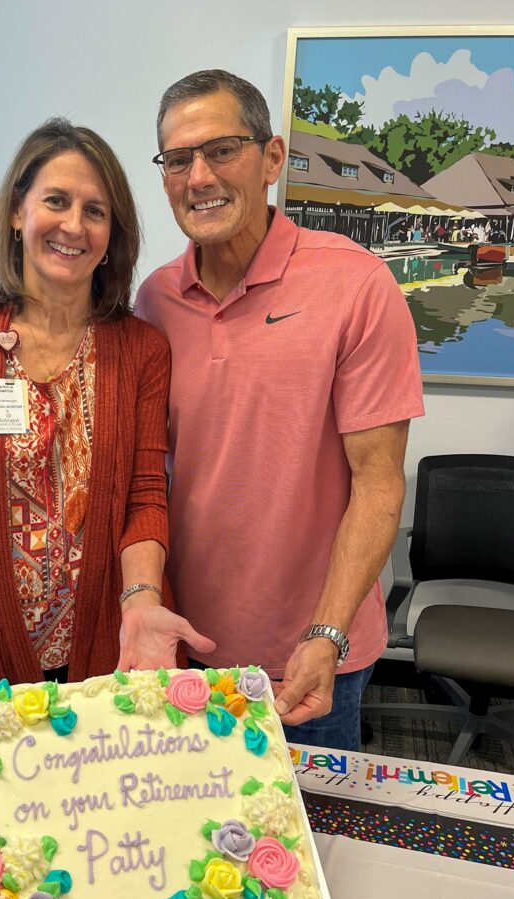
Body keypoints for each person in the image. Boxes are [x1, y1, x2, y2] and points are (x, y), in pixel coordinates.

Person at [135, 70, 424, 750]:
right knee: (205, 842)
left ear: (270, 159)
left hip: (315, 651)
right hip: (189, 642)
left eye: (221, 150)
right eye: (178, 160)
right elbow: (147, 479)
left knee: (312, 842)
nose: (198, 176)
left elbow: (379, 484)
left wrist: (326, 632)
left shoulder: (357, 285)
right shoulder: (154, 303)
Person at [0, 118, 213, 730]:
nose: (74, 225)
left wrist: (141, 603)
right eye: (56, 201)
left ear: (112, 232)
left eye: (95, 210)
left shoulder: (142, 349)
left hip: (115, 643)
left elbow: (146, 496)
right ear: (18, 212)